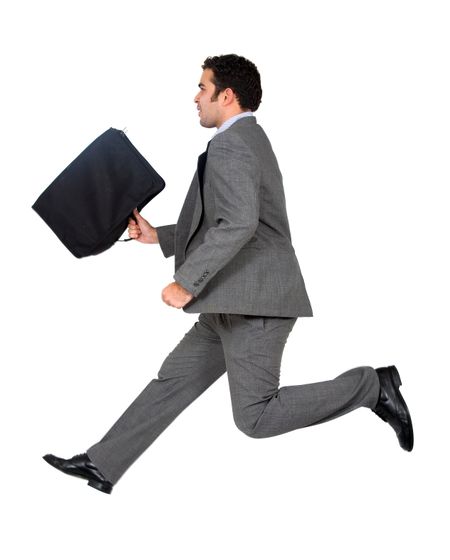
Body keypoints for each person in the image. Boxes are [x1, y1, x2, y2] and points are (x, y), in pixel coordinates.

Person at [43, 54, 413, 494]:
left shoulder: (234, 144)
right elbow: (226, 220)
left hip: (254, 303)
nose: (196, 97)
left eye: (203, 88)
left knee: (255, 417)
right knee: (172, 381)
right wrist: (157, 237)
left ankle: (372, 386)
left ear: (227, 95)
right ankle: (103, 464)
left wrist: (186, 283)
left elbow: (239, 223)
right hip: (229, 300)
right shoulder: (242, 139)